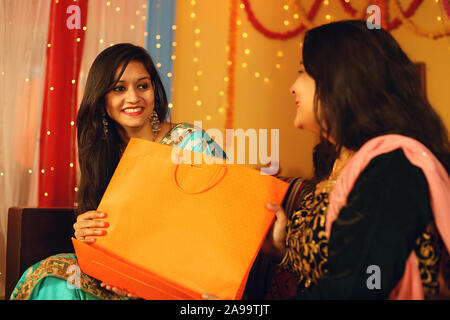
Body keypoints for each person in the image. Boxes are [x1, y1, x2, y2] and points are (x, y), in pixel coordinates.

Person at [11, 43, 225, 300]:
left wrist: (147, 279)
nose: (133, 97)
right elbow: (112, 231)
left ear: (154, 90)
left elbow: (215, 228)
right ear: (102, 98)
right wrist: (86, 231)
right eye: (119, 88)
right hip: (118, 275)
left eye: (142, 86)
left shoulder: (191, 143)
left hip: (184, 277)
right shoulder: (103, 150)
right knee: (48, 278)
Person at [260, 20, 450, 300]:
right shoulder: (344, 162)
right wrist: (281, 247)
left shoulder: (395, 167)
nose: (292, 87)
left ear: (338, 80)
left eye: (302, 72)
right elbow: (334, 264)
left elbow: (354, 288)